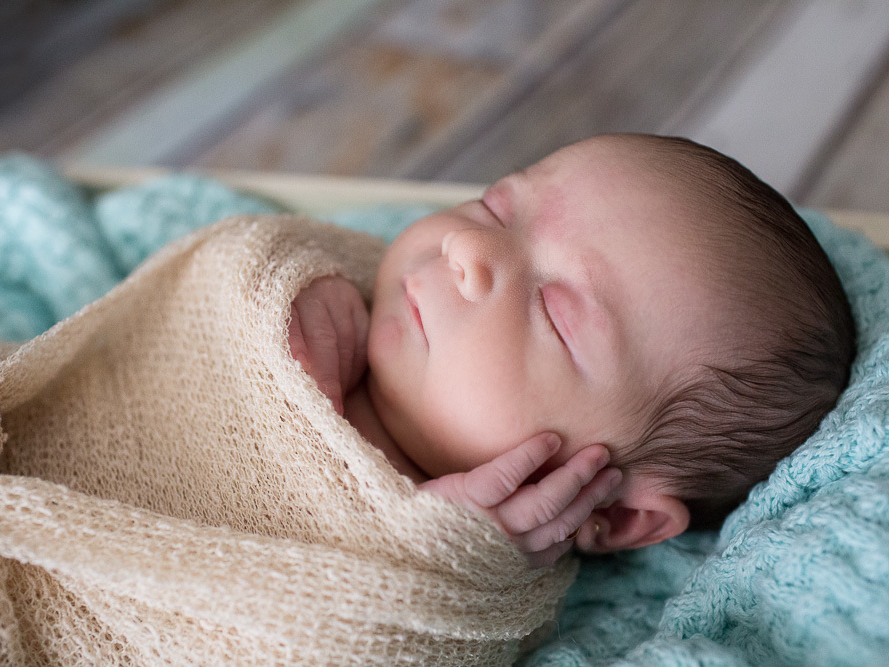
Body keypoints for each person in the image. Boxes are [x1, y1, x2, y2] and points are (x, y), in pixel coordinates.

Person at [287, 133, 856, 567]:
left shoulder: (470, 598)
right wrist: (284, 282)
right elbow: (213, 254)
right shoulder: (337, 280)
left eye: (556, 316)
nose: (465, 244)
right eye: (495, 209)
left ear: (614, 512)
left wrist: (439, 550)